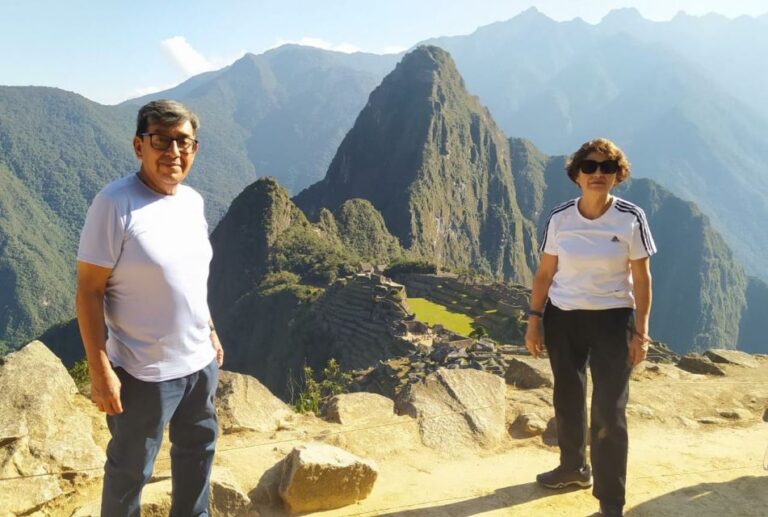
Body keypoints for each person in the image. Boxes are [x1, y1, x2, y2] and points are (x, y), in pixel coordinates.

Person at [76, 100, 224, 516]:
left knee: (198, 457)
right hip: (143, 372)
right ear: (139, 145)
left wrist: (209, 329)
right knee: (129, 472)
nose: (173, 152)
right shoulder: (115, 204)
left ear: (195, 149)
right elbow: (89, 291)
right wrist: (100, 368)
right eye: (161, 140)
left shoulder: (192, 202)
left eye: (183, 142)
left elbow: (192, 276)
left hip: (199, 365)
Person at [525, 138, 656, 517]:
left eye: (607, 168)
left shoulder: (631, 217)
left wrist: (642, 331)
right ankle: (572, 468)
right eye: (590, 167)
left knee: (609, 411)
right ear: (577, 174)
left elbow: (643, 279)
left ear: (618, 175)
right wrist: (534, 320)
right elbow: (545, 273)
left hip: (613, 320)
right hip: (563, 317)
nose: (598, 174)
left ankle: (611, 502)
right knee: (567, 398)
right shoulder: (561, 218)